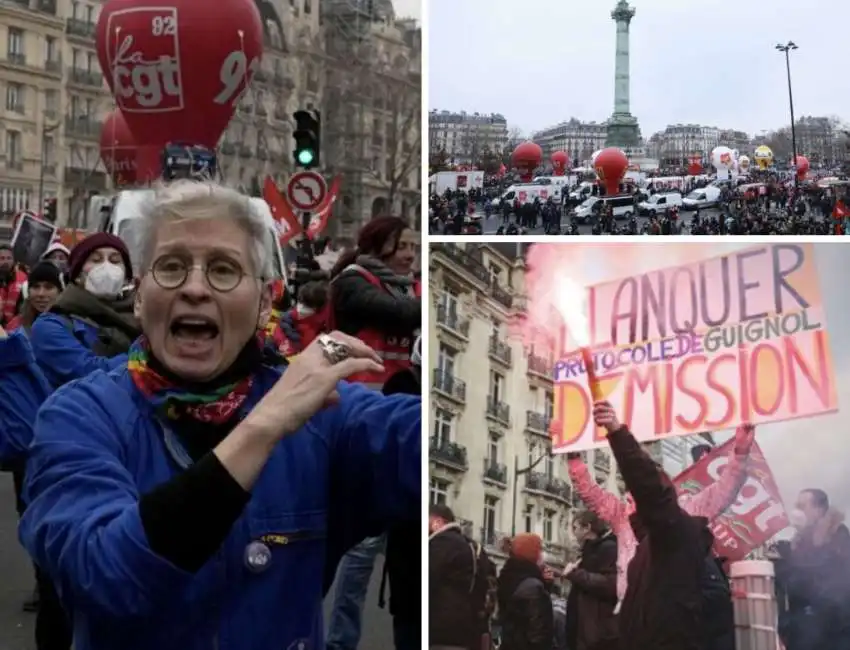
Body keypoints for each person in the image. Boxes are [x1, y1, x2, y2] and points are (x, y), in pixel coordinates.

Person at [18, 179, 421, 650]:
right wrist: (261, 429)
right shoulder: (77, 416)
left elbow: (417, 442)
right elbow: (106, 578)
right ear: (141, 294)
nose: (194, 288)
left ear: (264, 303)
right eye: (170, 267)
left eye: (224, 270)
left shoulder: (323, 412)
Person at [325, 215, 421, 649]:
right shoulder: (353, 281)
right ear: (381, 243)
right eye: (403, 245)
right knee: (361, 550)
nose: (410, 254)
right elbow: (396, 317)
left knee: (388, 546)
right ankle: (339, 641)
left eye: (415, 248)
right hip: (360, 421)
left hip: (399, 419)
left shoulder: (410, 287)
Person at [566, 423, 754, 605]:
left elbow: (722, 493)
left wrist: (741, 454)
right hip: (634, 613)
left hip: (670, 613)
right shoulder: (623, 518)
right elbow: (592, 495)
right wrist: (574, 461)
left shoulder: (683, 512)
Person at [594, 400, 712, 650]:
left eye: (638, 495)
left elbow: (650, 488)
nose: (632, 497)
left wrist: (617, 433)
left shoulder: (674, 532)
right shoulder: (649, 544)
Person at [29, 232, 140, 389]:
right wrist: (149, 357)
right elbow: (90, 373)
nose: (106, 267)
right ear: (77, 275)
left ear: (126, 277)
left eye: (115, 261)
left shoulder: (142, 317)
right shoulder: (50, 326)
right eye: (96, 260)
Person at [778, 489, 850, 650]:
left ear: (819, 510)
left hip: (833, 635)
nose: (797, 511)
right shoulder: (799, 542)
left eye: (802, 506)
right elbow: (793, 589)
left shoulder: (839, 537)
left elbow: (831, 585)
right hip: (805, 633)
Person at [429, 504, 489, 650]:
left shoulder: (441, 544)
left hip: (440, 629)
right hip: (465, 630)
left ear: (437, 522)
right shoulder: (473, 547)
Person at [563, 511, 618, 650]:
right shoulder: (589, 551)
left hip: (596, 637)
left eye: (575, 528)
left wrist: (576, 574)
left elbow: (611, 584)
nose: (573, 534)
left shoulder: (608, 548)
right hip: (585, 634)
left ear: (587, 528)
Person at [497, 533, 554, 650]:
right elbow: (538, 632)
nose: (543, 555)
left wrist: (545, 584)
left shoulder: (509, 577)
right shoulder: (532, 587)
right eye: (540, 550)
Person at [5, 261, 64, 333]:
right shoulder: (15, 326)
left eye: (48, 287)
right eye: (36, 287)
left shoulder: (72, 326)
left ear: (60, 291)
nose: (41, 294)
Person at [0, 242, 27, 327]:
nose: (5, 261)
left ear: (13, 260)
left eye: (9, 258)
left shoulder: (23, 278)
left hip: (16, 327)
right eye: (2, 258)